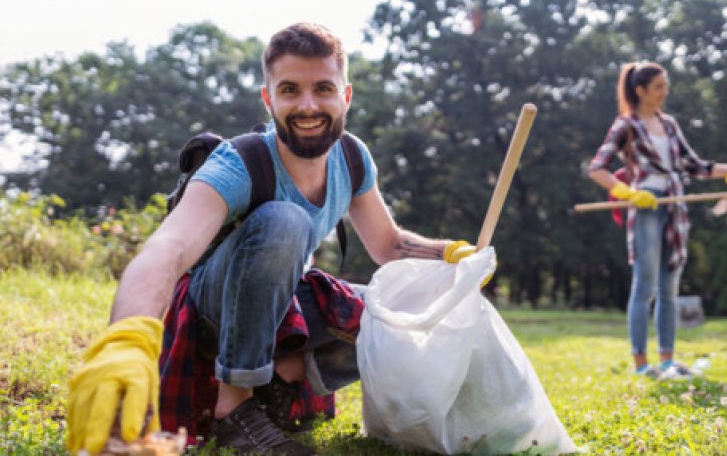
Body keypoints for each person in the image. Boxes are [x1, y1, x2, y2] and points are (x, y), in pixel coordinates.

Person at [66, 23, 483, 455]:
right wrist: (126, 337)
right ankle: (235, 409)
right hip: (212, 309)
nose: (308, 105)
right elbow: (168, 249)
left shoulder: (353, 158)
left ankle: (278, 387)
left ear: (346, 95)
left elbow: (389, 246)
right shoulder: (240, 163)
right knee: (286, 221)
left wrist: (454, 255)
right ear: (269, 99)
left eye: (323, 88)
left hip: (282, 307)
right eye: (289, 90)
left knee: (400, 311)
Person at [587, 61, 727, 380]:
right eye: (659, 87)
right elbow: (597, 168)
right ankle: (642, 364)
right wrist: (627, 192)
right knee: (644, 287)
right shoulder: (626, 125)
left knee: (669, 288)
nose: (665, 92)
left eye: (665, 86)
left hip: (675, 209)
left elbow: (695, 166)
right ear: (640, 90)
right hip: (646, 208)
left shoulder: (668, 124)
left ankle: (667, 360)